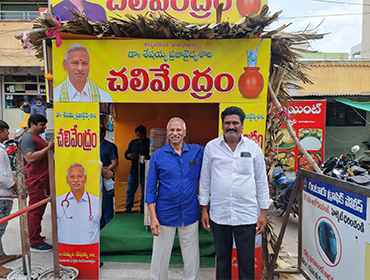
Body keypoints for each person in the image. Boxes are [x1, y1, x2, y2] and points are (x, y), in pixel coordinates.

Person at [199, 106, 272, 280]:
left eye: (235, 123)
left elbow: (261, 181)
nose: (231, 126)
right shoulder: (211, 147)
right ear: (222, 125)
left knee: (246, 262)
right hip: (219, 214)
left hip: (246, 215)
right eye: (227, 123)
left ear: (242, 125)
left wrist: (263, 212)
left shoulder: (254, 148)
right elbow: (205, 178)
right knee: (223, 261)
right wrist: (204, 209)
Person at [145, 117, 204, 280]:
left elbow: (218, 154)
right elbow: (150, 190)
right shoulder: (158, 156)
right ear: (167, 133)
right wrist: (153, 218)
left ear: (184, 133)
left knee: (191, 256)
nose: (175, 133)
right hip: (165, 214)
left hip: (190, 213)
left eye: (178, 130)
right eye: (172, 130)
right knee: (160, 256)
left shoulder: (197, 152)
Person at [19, 114, 54, 252]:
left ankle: (35, 234)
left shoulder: (37, 137)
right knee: (35, 210)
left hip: (43, 179)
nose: (44, 127)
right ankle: (35, 241)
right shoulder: (28, 138)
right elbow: (30, 158)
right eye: (42, 125)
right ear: (32, 124)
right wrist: (48, 149)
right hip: (37, 180)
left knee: (39, 210)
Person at [56, 163, 100, 245]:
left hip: (90, 252)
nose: (76, 180)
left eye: (80, 176)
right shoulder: (58, 201)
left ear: (85, 178)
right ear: (67, 179)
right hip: (65, 251)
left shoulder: (96, 201)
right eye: (72, 177)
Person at [0, 120, 22, 278]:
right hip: (3, 194)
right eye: (6, 131)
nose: (8, 134)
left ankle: (1, 255)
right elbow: (1, 175)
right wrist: (15, 187)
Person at [124, 125, 150, 213]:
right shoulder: (133, 142)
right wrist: (130, 155)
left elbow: (153, 156)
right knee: (130, 191)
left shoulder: (149, 143)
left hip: (145, 172)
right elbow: (126, 154)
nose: (139, 137)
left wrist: (146, 157)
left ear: (145, 134)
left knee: (144, 193)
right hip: (134, 172)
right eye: (137, 135)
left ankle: (143, 211)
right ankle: (128, 210)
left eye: (141, 135)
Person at [100, 126, 118, 229]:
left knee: (107, 203)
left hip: (106, 178)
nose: (100, 134)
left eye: (102, 132)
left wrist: (106, 171)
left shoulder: (110, 146)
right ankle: (100, 225)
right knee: (97, 204)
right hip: (94, 179)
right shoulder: (92, 147)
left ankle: (108, 227)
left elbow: (115, 163)